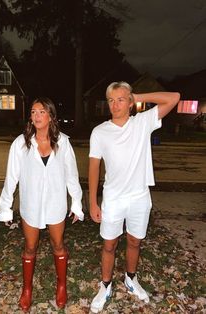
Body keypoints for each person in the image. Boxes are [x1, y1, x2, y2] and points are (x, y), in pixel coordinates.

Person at [89, 81, 180, 313]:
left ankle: (131, 279)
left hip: (139, 196)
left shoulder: (142, 122)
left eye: (121, 99)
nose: (115, 104)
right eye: (111, 100)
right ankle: (106, 285)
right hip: (113, 197)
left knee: (134, 241)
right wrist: (92, 201)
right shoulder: (100, 132)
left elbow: (174, 97)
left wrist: (137, 94)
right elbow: (93, 168)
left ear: (130, 103)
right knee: (109, 244)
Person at [0, 97, 84, 312]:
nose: (36, 116)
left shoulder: (63, 142)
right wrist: (5, 208)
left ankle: (61, 285)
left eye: (41, 112)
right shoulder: (21, 143)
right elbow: (11, 178)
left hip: (56, 205)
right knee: (30, 247)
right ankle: (27, 289)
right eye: (33, 112)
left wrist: (77, 202)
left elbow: (72, 175)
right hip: (31, 206)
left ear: (51, 116)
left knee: (58, 245)